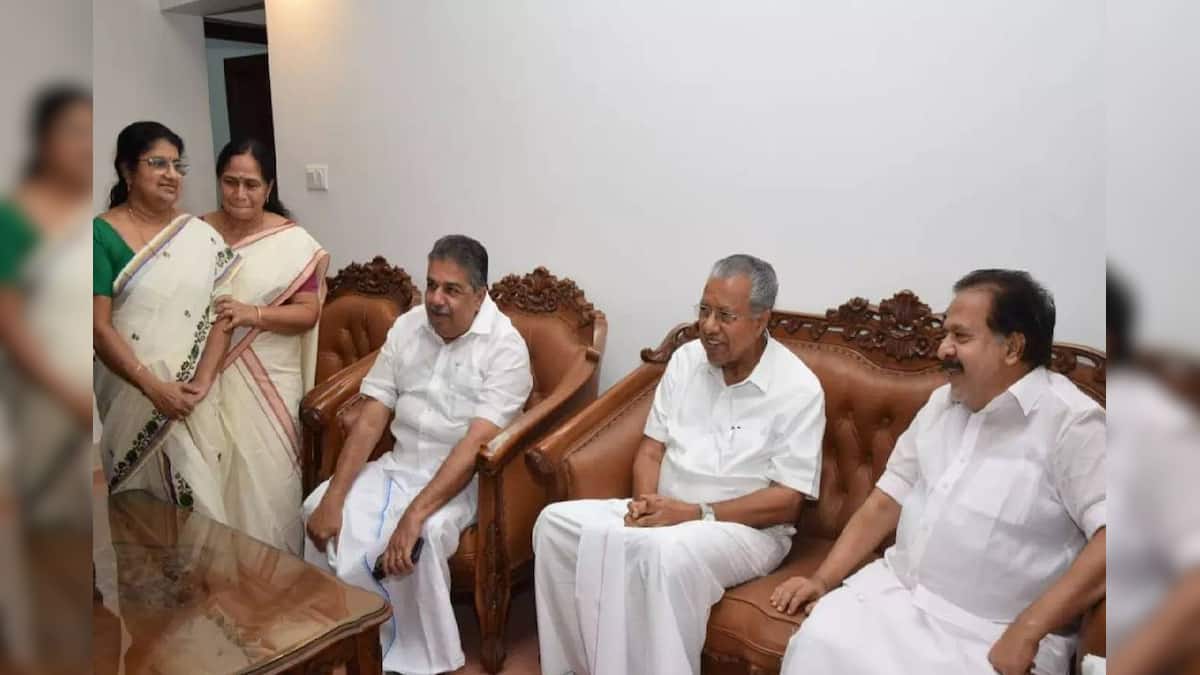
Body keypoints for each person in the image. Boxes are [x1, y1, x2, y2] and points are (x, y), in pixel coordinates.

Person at [774, 269, 1105, 675]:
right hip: (894, 598)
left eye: (960, 337)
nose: (943, 348)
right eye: (945, 333)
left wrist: (1028, 630)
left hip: (991, 635)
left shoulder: (1073, 423)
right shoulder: (941, 403)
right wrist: (822, 580)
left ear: (1013, 347)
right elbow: (885, 502)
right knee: (817, 640)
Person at [533, 254, 826, 675]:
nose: (708, 326)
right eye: (704, 311)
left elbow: (787, 502)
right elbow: (651, 450)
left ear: (762, 320)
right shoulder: (687, 360)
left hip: (746, 530)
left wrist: (691, 513)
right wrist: (645, 504)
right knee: (555, 526)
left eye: (725, 316)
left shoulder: (798, 388)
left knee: (661, 554)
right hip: (668, 513)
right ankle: (575, 668)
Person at [303, 235, 532, 674]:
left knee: (419, 542)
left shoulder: (506, 348)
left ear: (480, 295)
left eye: (451, 290)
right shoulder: (408, 327)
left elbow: (474, 445)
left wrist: (413, 517)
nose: (436, 299)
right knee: (318, 511)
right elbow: (371, 418)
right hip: (398, 466)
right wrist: (334, 494)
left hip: (462, 482)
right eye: (431, 285)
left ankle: (411, 661)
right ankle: (338, 641)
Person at [92, 121, 240, 516]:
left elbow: (223, 315)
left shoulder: (200, 236)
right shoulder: (100, 235)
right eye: (158, 163)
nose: (172, 175)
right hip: (134, 394)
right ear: (127, 170)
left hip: (195, 400)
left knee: (205, 512)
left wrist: (202, 383)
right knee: (142, 517)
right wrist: (153, 387)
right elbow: (97, 328)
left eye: (178, 165)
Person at [201, 138, 328, 553]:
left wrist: (252, 314)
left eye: (251, 184)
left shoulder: (292, 243)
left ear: (269, 188)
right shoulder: (195, 234)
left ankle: (275, 579)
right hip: (205, 381)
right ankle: (221, 577)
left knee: (269, 488)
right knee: (213, 484)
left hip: (270, 381)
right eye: (230, 182)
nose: (240, 193)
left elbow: (307, 313)